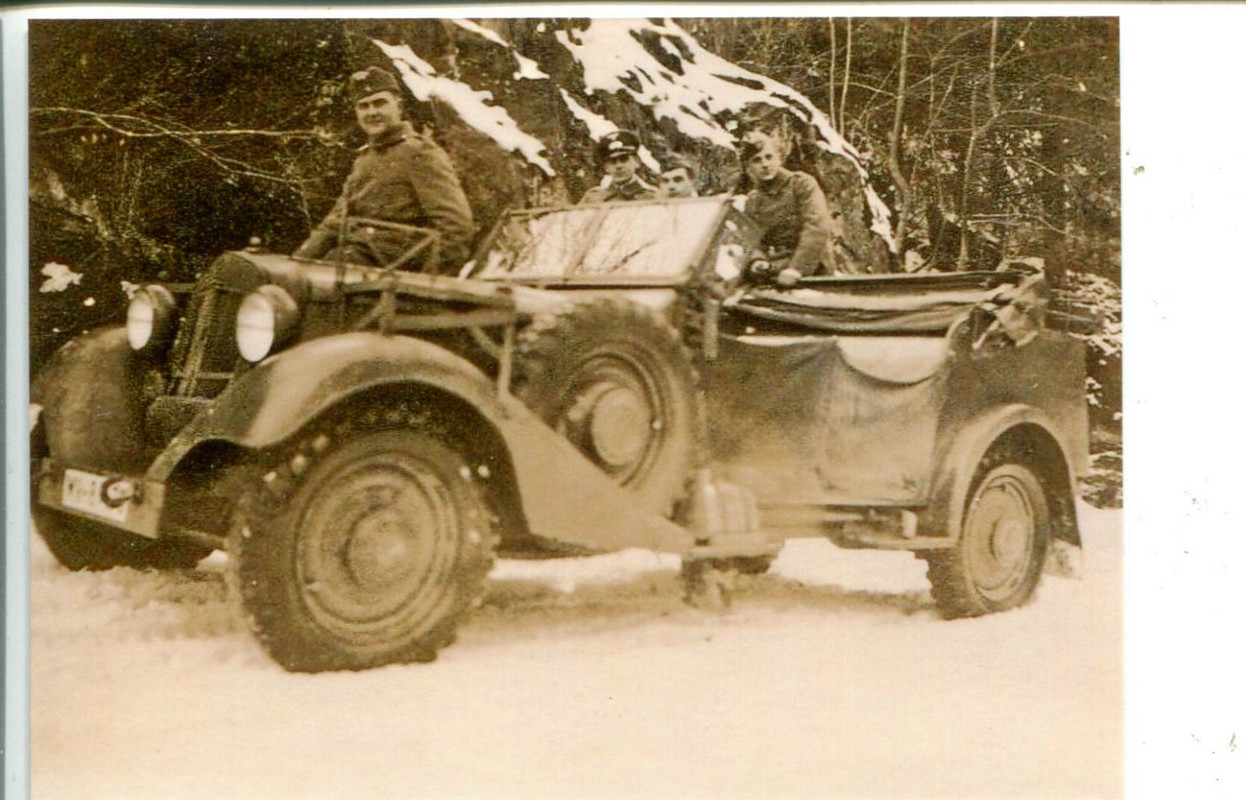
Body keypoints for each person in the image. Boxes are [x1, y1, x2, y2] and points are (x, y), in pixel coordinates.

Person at [294, 66, 475, 273]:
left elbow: (456, 227)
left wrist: (423, 283)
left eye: (380, 103)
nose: (372, 112)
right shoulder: (365, 159)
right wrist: (294, 263)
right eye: (363, 106)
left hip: (389, 277)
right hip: (349, 264)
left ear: (399, 106)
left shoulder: (420, 153)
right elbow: (334, 223)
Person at [737, 129, 838, 287]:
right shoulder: (754, 200)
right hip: (777, 270)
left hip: (812, 270)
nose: (765, 164)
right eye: (757, 160)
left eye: (769, 157)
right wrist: (757, 260)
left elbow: (817, 226)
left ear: (779, 157)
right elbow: (752, 240)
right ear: (748, 166)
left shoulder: (801, 184)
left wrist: (797, 268)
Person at [579, 130, 657, 203]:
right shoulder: (592, 198)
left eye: (624, 160)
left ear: (637, 162)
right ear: (606, 168)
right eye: (613, 162)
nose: (618, 166)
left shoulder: (653, 197)